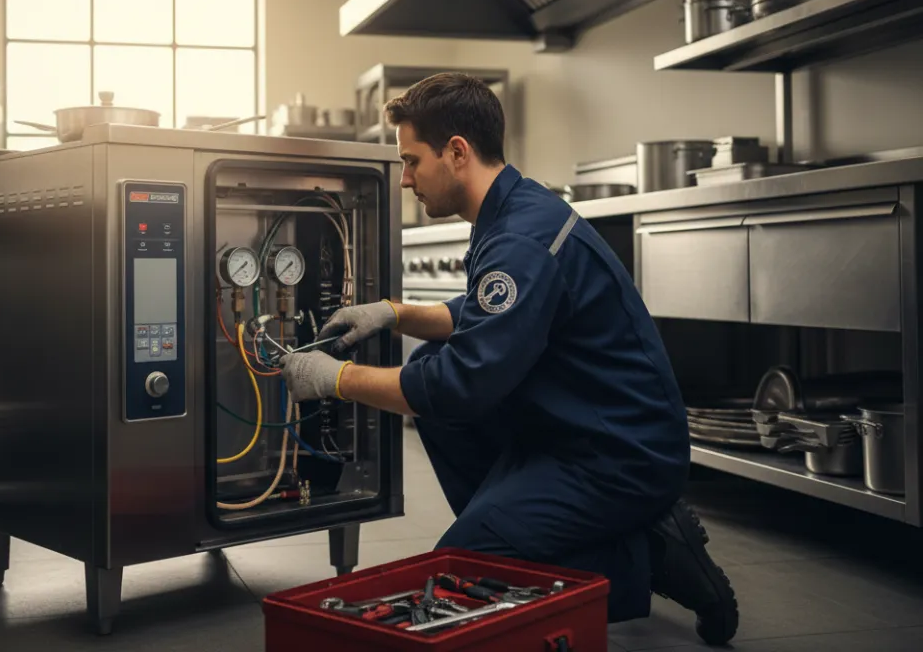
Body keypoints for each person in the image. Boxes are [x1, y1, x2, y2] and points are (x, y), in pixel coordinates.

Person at [281, 72, 738, 644]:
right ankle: (533, 524)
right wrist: (393, 313)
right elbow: (485, 314)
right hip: (575, 425)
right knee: (432, 376)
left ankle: (645, 549)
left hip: (621, 452)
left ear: (456, 152)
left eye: (411, 161)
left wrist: (337, 379)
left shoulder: (520, 238)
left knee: (466, 570)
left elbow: (460, 386)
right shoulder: (511, 208)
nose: (405, 180)